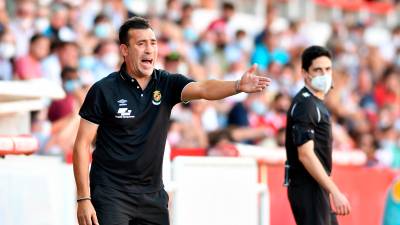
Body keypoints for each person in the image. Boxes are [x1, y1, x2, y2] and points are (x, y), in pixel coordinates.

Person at [73, 16, 270, 225]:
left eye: (153, 43)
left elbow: (203, 88)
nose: (149, 49)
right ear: (124, 50)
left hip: (152, 196)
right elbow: (81, 145)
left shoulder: (166, 83)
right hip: (111, 194)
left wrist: (237, 85)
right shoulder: (103, 90)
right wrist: (84, 198)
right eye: (141, 44)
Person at [284, 45, 351, 225]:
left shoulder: (316, 102)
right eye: (318, 70)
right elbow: (305, 154)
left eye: (328, 69)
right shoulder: (306, 105)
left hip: (317, 186)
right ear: (305, 73)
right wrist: (335, 191)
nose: (324, 74)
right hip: (308, 186)